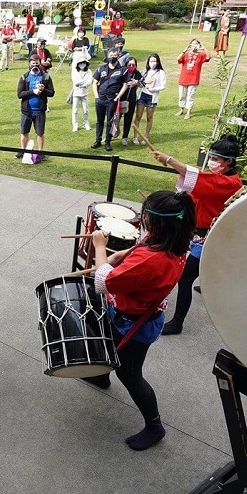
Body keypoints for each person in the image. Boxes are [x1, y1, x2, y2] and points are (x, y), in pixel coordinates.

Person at [85, 190, 196, 450]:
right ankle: (101, 376)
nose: (142, 219)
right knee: (107, 343)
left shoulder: (151, 260)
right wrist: (121, 255)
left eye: (145, 215)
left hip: (135, 322)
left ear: (155, 221)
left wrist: (100, 248)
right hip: (135, 312)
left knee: (130, 373)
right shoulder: (175, 240)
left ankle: (155, 426)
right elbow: (144, 244)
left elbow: (103, 282)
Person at [151, 136, 243, 336]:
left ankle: (177, 323)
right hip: (196, 233)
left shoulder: (231, 183)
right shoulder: (216, 178)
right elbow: (193, 193)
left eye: (216, 159)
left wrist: (169, 160)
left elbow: (199, 181)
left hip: (211, 236)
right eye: (211, 156)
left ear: (229, 162)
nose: (212, 161)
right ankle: (208, 282)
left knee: (185, 277)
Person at [16, 54, 55, 160]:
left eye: (37, 63)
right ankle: (23, 151)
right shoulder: (24, 77)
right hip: (26, 111)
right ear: (29, 64)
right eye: (33, 63)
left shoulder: (46, 77)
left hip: (40, 111)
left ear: (40, 63)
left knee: (40, 133)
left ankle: (40, 152)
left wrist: (43, 90)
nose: (35, 65)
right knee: (24, 132)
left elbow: (52, 93)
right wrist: (32, 91)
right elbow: (19, 94)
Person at [91, 49, 129, 152]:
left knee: (110, 121)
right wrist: (96, 96)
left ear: (118, 56)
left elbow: (125, 85)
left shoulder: (122, 70)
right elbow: (94, 82)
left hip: (112, 100)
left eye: (114, 55)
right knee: (99, 121)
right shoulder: (101, 69)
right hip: (100, 99)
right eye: (111, 55)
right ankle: (97, 140)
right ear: (107, 56)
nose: (112, 57)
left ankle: (108, 142)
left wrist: (118, 97)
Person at [131, 54, 167, 145]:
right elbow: (140, 84)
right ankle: (135, 137)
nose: (153, 63)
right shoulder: (145, 71)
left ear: (158, 62)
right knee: (138, 116)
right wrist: (141, 83)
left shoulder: (161, 72)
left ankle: (146, 137)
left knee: (149, 117)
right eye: (151, 61)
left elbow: (163, 86)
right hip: (143, 95)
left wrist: (153, 89)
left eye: (155, 61)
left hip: (152, 97)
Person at [176, 39, 210, 120]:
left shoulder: (201, 55)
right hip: (183, 78)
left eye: (196, 44)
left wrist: (203, 48)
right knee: (182, 95)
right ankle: (181, 109)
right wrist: (185, 50)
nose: (194, 45)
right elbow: (178, 59)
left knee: (190, 95)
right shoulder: (186, 55)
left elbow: (209, 56)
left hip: (194, 79)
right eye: (193, 44)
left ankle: (188, 112)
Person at [120, 58, 142, 146]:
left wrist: (136, 83)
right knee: (115, 118)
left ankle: (124, 137)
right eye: (129, 64)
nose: (131, 66)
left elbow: (140, 84)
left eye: (133, 64)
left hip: (131, 100)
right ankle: (110, 135)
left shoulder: (137, 73)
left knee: (128, 119)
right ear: (126, 65)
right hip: (121, 98)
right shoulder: (123, 72)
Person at [70, 58, 92, 133]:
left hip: (85, 93)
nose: (82, 64)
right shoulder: (75, 71)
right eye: (80, 63)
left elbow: (89, 81)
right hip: (76, 93)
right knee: (75, 110)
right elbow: (75, 81)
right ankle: (75, 125)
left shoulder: (88, 71)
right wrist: (83, 83)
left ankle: (86, 123)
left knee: (85, 110)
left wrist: (82, 84)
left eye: (83, 63)